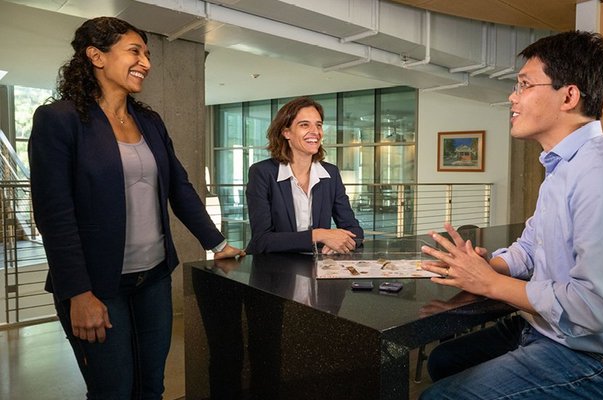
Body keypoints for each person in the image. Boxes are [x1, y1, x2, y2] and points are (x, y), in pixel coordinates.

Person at [419, 30, 603, 399]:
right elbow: (530, 247)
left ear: (568, 96)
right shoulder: (562, 168)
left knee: (437, 397)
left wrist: (489, 284)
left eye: (524, 84)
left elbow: (593, 309)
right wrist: (492, 265)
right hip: (552, 333)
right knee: (444, 360)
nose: (512, 96)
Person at [29, 16, 245, 399]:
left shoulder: (149, 121)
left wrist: (218, 244)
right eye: (134, 51)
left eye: (146, 53)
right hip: (96, 286)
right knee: (113, 390)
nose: (146, 61)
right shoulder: (59, 120)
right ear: (96, 55)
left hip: (154, 279)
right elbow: (54, 215)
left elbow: (179, 188)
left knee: (151, 388)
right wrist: (78, 293)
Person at [245, 96, 363, 254]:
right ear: (286, 132)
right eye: (304, 125)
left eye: (318, 125)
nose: (315, 132)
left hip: (315, 268)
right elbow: (262, 240)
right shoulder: (262, 172)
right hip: (273, 270)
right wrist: (318, 235)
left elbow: (355, 231)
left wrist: (341, 243)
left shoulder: (331, 173)